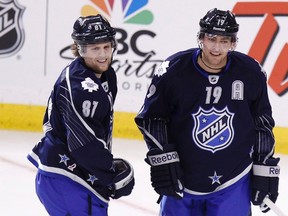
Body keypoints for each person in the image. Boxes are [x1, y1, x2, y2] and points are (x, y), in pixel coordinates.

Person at [135, 8, 280, 216]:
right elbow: (152, 118)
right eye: (212, 39)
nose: (217, 48)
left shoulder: (250, 72)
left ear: (233, 43)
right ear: (201, 38)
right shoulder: (173, 70)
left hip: (233, 180)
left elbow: (262, 124)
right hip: (182, 180)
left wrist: (265, 168)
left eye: (224, 41)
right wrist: (163, 157)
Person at [27, 14, 135, 216]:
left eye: (106, 46)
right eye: (95, 48)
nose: (103, 54)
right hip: (69, 179)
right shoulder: (82, 88)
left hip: (67, 173)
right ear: (80, 49)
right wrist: (110, 174)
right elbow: (84, 144)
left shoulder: (104, 75)